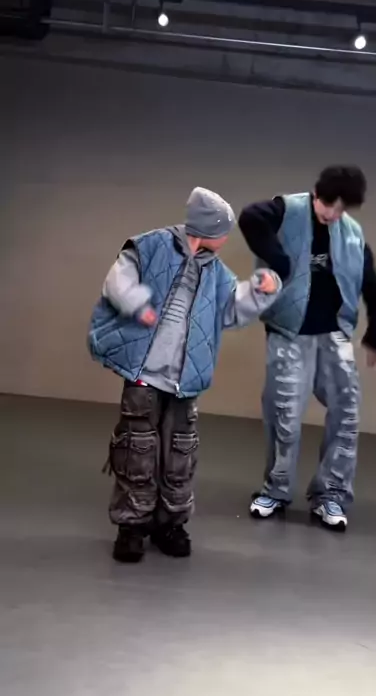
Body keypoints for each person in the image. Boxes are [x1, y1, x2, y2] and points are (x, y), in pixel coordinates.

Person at [88, 187, 281, 563]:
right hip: (144, 373)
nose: (227, 238)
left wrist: (260, 291)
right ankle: (132, 526)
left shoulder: (216, 271)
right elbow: (118, 282)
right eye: (224, 230)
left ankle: (170, 524)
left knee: (180, 452)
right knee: (136, 450)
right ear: (207, 228)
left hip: (184, 380)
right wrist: (138, 305)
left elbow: (231, 309)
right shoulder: (150, 247)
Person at [238, 166, 376, 531]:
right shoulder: (286, 210)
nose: (333, 215)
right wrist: (278, 259)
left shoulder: (351, 233)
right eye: (328, 206)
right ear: (316, 194)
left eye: (341, 209)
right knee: (285, 413)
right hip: (290, 332)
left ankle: (331, 495)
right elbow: (249, 218)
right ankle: (276, 490)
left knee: (347, 413)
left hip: (333, 332)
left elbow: (370, 282)